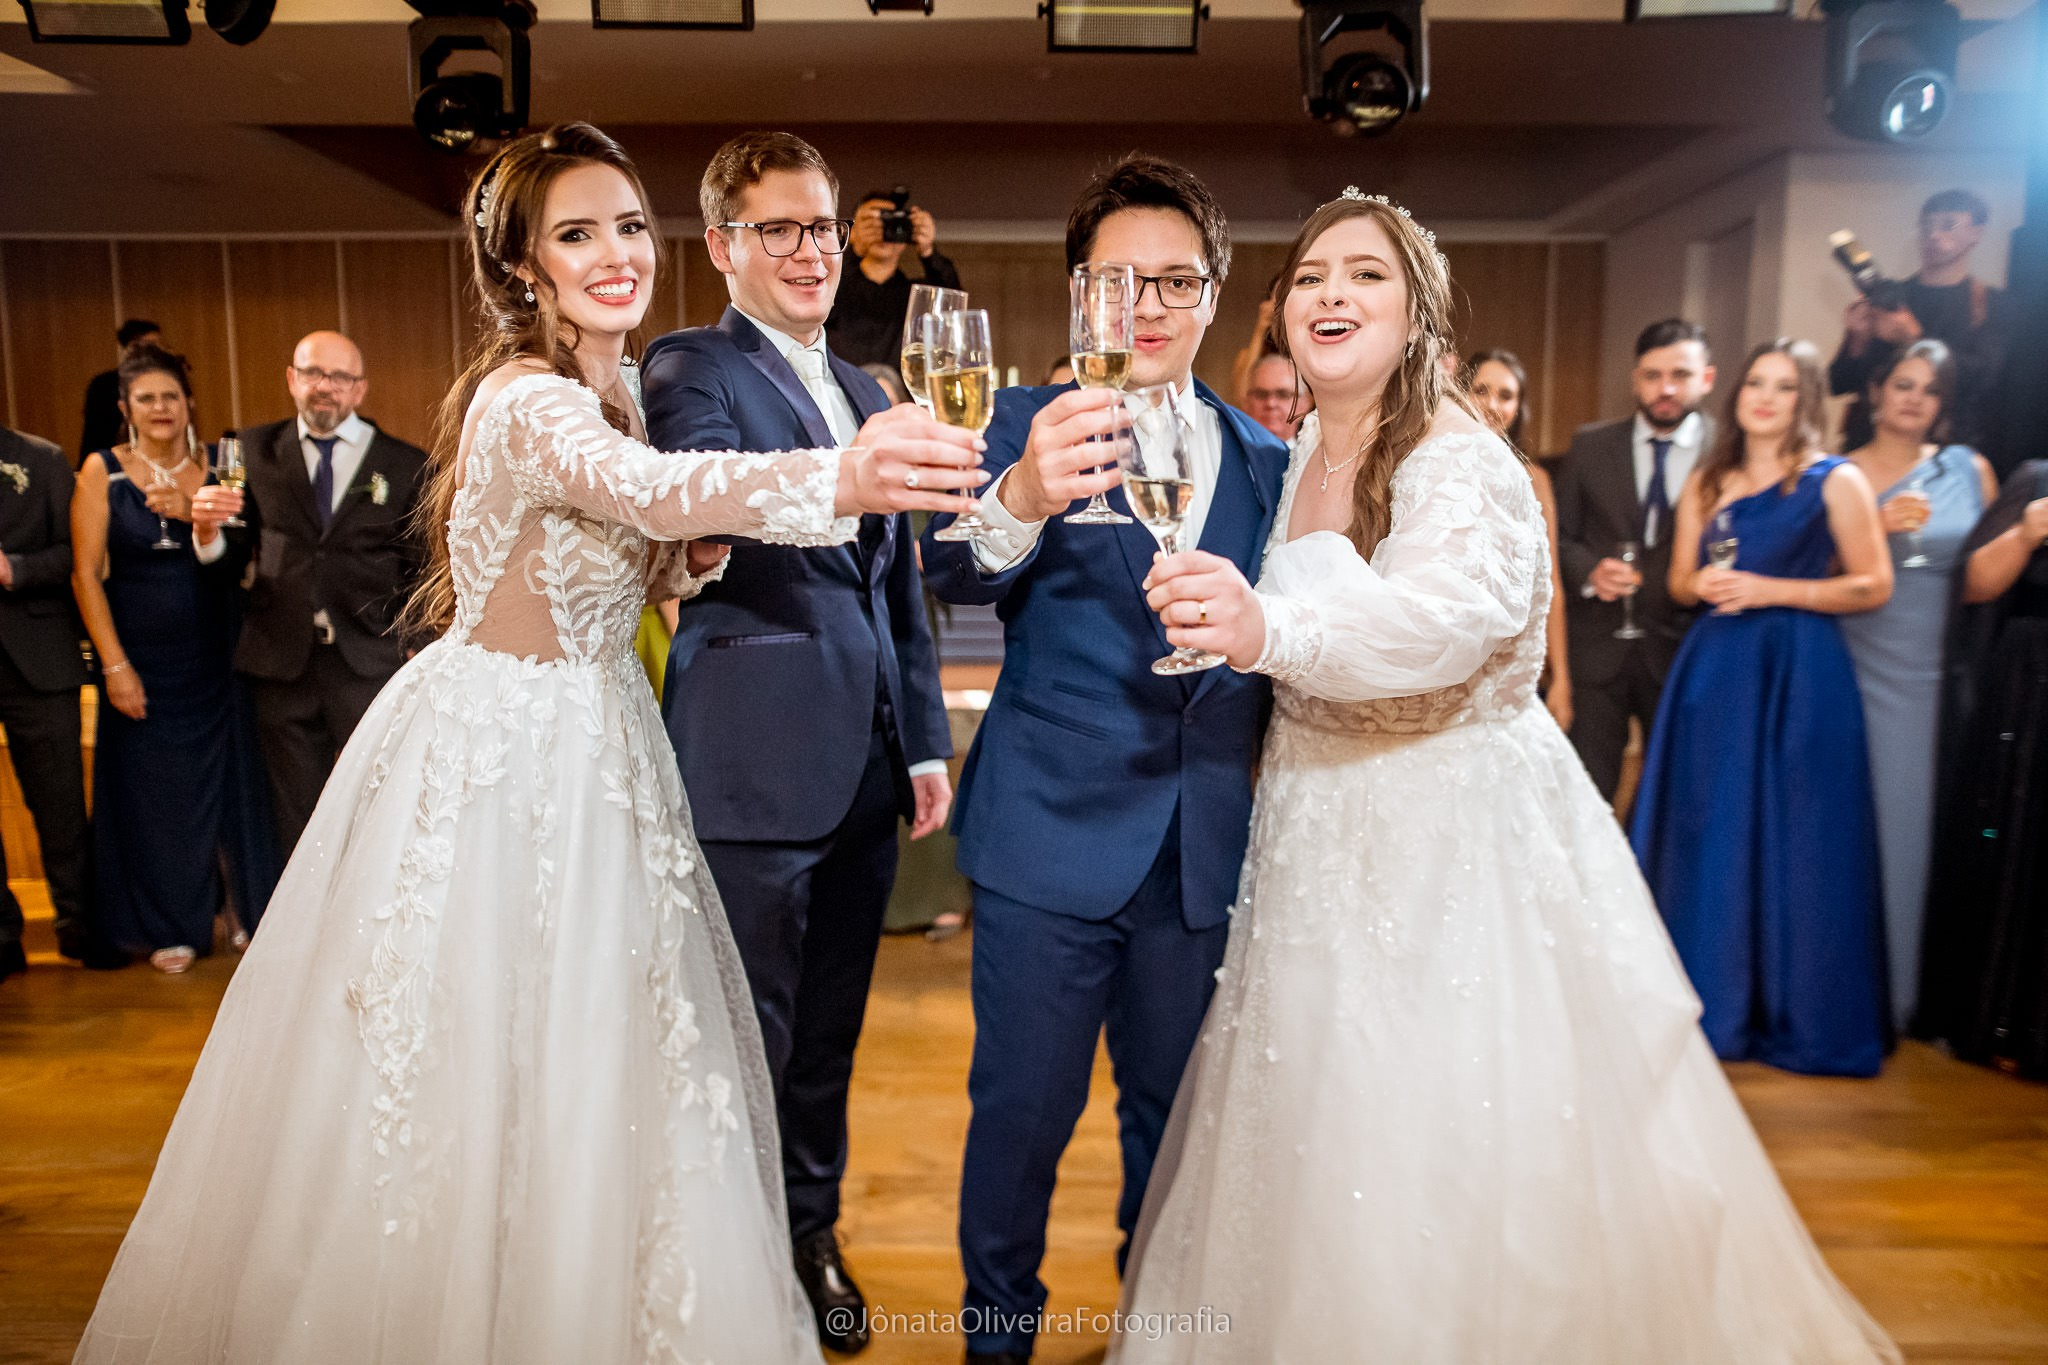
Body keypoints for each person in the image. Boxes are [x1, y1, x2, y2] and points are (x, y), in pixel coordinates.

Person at [70, 123, 985, 1364]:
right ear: (520, 269)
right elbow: (658, 492)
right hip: (508, 752)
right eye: (574, 234)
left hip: (600, 737)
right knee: (479, 1059)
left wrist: (682, 562)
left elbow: (637, 538)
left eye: (623, 226)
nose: (613, 254)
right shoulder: (528, 396)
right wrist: (845, 475)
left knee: (606, 1051)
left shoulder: (614, 392)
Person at [1114, 188, 1900, 1365]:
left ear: (1418, 307)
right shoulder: (1306, 452)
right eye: (1313, 274)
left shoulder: (1453, 454)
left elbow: (1444, 625)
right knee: (1317, 1134)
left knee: (1439, 1139)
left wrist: (1261, 630)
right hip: (1312, 834)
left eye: (1365, 274)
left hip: (1444, 847)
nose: (1332, 293)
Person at [921, 154, 1290, 1365]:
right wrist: (1021, 494)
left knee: (1175, 1131)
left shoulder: (1265, 460)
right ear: (1079, 292)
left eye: (1174, 281)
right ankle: (994, 1343)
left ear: (1215, 293)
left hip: (1199, 847)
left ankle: (1158, 1334)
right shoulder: (1020, 418)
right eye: (1116, 280)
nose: (1146, 306)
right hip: (1046, 837)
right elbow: (942, 571)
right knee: (1019, 1121)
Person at [640, 131, 957, 1357]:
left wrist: (922, 740)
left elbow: (899, 587)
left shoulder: (871, 389)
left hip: (866, 764)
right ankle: (720, 1262)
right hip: (749, 764)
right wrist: (854, 467)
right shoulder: (690, 365)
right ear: (723, 246)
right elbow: (708, 485)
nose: (811, 249)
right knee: (735, 1037)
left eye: (821, 226)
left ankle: (808, 1231)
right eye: (778, 228)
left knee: (824, 1040)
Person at [1630, 339, 1894, 1077]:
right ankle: (1716, 1000)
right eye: (1756, 384)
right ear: (1736, 393)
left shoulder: (1833, 480)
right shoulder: (1710, 481)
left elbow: (1874, 584)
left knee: (1801, 832)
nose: (1765, 398)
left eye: (1783, 387)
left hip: (1802, 670)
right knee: (1711, 827)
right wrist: (1704, 588)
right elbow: (1679, 579)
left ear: (1806, 399)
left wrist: (1774, 591)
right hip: (1717, 672)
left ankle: (1798, 1009)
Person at [69, 344, 276, 973]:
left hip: (222, 657)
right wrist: (114, 666)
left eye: (171, 396)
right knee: (158, 799)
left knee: (238, 789)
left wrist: (195, 514)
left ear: (188, 404)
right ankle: (173, 926)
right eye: (146, 398)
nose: (160, 408)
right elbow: (84, 575)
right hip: (144, 666)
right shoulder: (100, 471)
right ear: (126, 407)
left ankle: (243, 913)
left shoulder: (225, 465)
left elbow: (246, 552)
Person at [194, 331, 430, 866]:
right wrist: (207, 536)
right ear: (292, 380)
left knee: (383, 801)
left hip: (371, 660)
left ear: (360, 389)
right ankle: (307, 935)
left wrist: (417, 644)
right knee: (294, 813)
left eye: (340, 377)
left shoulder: (404, 463)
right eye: (313, 374)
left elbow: (421, 565)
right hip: (281, 661)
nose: (325, 387)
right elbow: (232, 553)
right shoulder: (247, 450)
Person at [1839, 339, 1997, 1031]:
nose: (1912, 398)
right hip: (1853, 661)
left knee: (1924, 832)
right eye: (1902, 383)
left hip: (1939, 673)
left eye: (1929, 390)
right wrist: (1873, 522)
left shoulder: (1970, 470)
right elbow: (1808, 559)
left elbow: (1989, 578)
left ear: (1943, 405)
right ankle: (1847, 991)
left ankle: (1912, 997)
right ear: (1876, 389)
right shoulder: (1837, 470)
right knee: (1851, 824)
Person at [1915, 461, 2048, 1077]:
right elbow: (1965, 585)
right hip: (2032, 691)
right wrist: (2027, 533)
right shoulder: (2037, 481)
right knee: (2015, 844)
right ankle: (2003, 1020)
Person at [1552, 319, 1717, 804]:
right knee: (1587, 796)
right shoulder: (1590, 445)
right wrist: (1588, 571)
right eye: (1652, 375)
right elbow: (1557, 537)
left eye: (1681, 375)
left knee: (1680, 794)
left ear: (1706, 378)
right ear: (1634, 379)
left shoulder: (1728, 450)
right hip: (1597, 648)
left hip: (1684, 647)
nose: (1665, 389)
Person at [0, 424, 106, 980]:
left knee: (60, 800)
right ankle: (1, 937)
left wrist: (13, 568)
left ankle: (79, 924)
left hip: (38, 657)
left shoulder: (40, 458)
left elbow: (76, 552)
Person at [1830, 189, 2008, 465]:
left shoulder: (1990, 304)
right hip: (1870, 448)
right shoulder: (1890, 296)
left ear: (1977, 232)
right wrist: (1858, 339)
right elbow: (1839, 382)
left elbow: (1983, 380)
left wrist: (1913, 338)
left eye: (1949, 225)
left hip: (1947, 454)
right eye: (1927, 227)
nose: (1934, 235)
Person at [1464, 347, 1571, 730]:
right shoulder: (1437, 464)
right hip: (1455, 646)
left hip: (1513, 653)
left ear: (1519, 407)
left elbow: (1551, 582)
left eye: (1506, 395)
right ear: (1462, 393)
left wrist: (1562, 678)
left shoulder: (1535, 479)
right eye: (1481, 390)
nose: (1492, 403)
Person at [824, 188, 963, 367]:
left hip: (900, 392)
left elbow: (953, 308)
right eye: (870, 221)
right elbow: (820, 300)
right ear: (851, 232)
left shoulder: (915, 295)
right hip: (839, 388)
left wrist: (928, 251)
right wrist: (855, 252)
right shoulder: (834, 285)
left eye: (890, 221)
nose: (880, 228)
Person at [79, 319, 160, 463]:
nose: (155, 352)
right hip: (114, 457)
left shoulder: (164, 381)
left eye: (157, 345)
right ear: (131, 347)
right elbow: (94, 433)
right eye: (150, 345)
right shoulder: (104, 384)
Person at [1241, 350, 1304, 444]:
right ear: (1246, 402)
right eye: (1261, 394)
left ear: (1304, 404)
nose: (1270, 403)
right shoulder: (1224, 455)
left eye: (1283, 395)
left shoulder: (1316, 457)